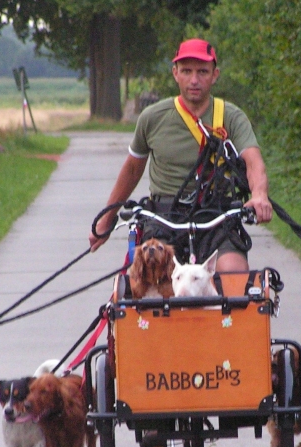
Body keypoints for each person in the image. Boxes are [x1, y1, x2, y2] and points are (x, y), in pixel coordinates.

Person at [88, 38, 273, 272]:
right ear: (175, 73)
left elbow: (253, 162)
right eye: (186, 71)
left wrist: (259, 196)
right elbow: (133, 169)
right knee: (151, 278)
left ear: (215, 75)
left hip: (217, 217)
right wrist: (106, 220)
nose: (194, 80)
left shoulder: (232, 117)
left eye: (202, 72)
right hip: (164, 219)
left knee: (233, 274)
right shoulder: (153, 117)